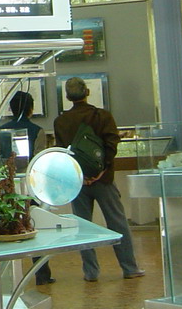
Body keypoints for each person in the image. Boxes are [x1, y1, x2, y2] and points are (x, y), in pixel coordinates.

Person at [53, 77, 144, 282]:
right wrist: (101, 171)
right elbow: (111, 145)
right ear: (87, 92)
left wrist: (81, 175)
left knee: (83, 227)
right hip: (103, 180)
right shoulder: (102, 116)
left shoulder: (60, 121)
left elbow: (62, 151)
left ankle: (91, 272)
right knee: (117, 222)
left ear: (67, 96)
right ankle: (129, 267)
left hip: (77, 182)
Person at [0, 90, 53, 285]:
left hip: (7, 187)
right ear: (31, 109)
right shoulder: (37, 131)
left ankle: (6, 276)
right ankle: (42, 274)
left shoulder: (1, 131)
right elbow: (39, 161)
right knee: (33, 227)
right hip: (30, 188)